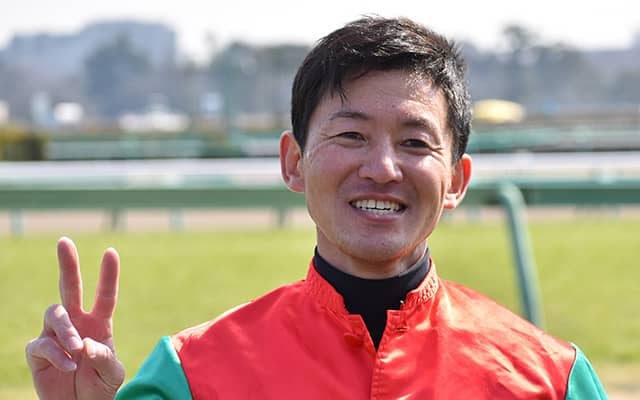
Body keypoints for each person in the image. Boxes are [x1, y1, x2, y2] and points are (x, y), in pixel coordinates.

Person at [26, 16, 607, 399]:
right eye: (351, 136)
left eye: (414, 142)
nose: (383, 167)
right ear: (294, 162)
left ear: (456, 180)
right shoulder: (191, 376)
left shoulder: (550, 379)